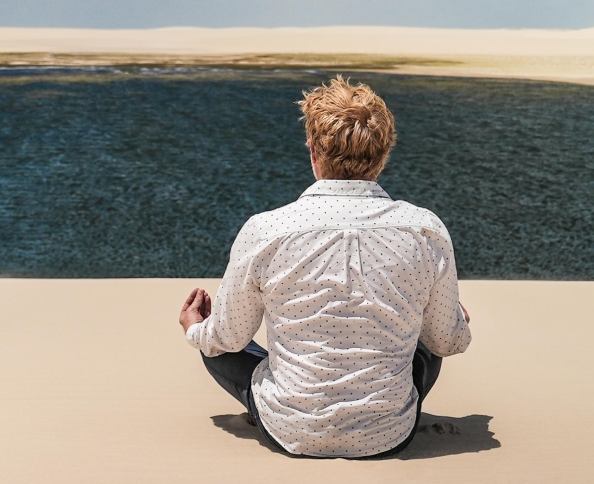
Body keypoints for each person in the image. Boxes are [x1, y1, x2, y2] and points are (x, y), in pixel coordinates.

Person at [179, 76, 472, 459]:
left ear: (313, 150)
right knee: (428, 336)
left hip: (289, 430)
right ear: (384, 153)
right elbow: (448, 343)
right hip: (389, 435)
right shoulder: (424, 229)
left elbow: (229, 340)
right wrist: (452, 322)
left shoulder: (267, 229)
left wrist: (196, 329)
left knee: (216, 342)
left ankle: (290, 402)